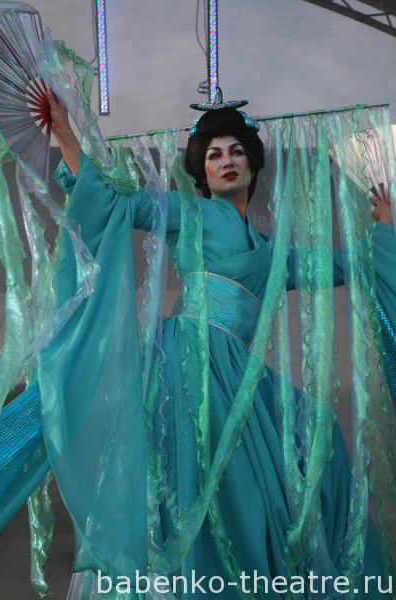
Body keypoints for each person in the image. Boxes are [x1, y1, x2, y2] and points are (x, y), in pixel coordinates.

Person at [42, 92, 395, 600]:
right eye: (214, 155)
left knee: (317, 438)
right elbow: (121, 202)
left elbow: (337, 266)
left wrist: (383, 233)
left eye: (236, 151)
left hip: (237, 370)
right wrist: (65, 134)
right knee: (206, 482)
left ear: (252, 163)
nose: (227, 161)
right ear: (201, 172)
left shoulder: (270, 251)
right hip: (190, 361)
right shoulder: (190, 213)